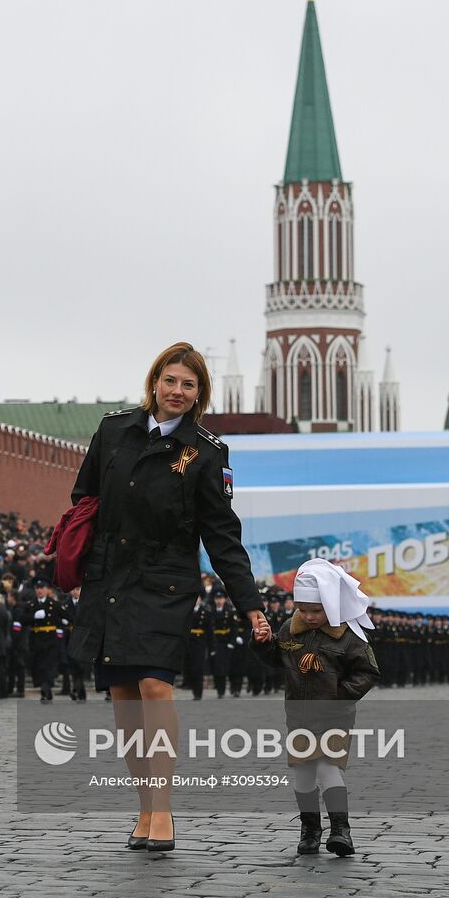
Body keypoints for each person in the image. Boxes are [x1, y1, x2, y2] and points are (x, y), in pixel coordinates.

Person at [67, 342, 269, 852]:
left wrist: (252, 606)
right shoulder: (114, 430)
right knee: (124, 701)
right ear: (154, 382)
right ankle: (142, 806)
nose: (178, 391)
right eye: (171, 381)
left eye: (189, 385)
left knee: (156, 687)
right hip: (110, 581)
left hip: (165, 583)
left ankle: (163, 810)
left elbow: (222, 537)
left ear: (200, 394)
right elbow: (84, 495)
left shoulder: (206, 453)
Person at [251, 558, 380, 858]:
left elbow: (368, 672)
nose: (309, 617)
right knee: (304, 774)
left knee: (327, 767)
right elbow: (275, 660)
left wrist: (339, 695)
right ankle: (310, 830)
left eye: (316, 611)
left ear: (331, 604)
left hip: (336, 715)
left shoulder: (349, 636)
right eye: (303, 610)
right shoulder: (289, 629)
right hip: (299, 716)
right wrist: (262, 642)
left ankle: (340, 830)